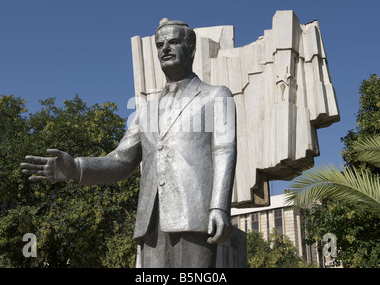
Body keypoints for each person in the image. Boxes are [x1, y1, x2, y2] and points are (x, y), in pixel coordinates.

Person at [21, 18, 237, 268]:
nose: (165, 48)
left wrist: (219, 207)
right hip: (151, 222)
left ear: (191, 49)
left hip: (194, 214)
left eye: (174, 42)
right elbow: (121, 160)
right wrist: (75, 168)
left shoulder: (216, 95)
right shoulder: (146, 110)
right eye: (159, 45)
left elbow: (224, 150)